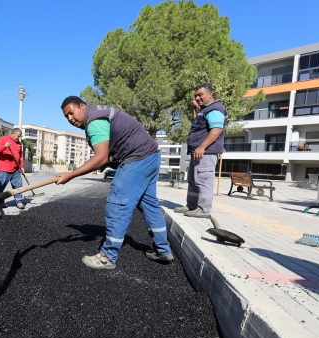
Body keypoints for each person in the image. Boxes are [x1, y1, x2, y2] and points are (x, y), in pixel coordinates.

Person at [56, 96, 174, 269]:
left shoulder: (94, 121)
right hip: (151, 155)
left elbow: (101, 157)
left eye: (71, 113)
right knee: (149, 204)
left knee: (118, 204)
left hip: (137, 157)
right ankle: (163, 250)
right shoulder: (99, 115)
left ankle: (108, 256)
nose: (70, 119)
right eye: (67, 117)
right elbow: (108, 155)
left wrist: (71, 174)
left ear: (82, 106)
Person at [174, 83, 226, 219]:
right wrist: (198, 108)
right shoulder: (206, 109)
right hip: (198, 153)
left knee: (203, 181)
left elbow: (216, 129)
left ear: (210, 94)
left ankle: (203, 209)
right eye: (196, 95)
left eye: (200, 95)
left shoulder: (215, 109)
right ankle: (192, 205)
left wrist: (202, 146)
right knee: (193, 180)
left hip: (206, 153)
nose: (197, 98)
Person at [0, 128, 25, 209]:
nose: (19, 138)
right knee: (0, 187)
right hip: (3, 169)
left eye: (20, 136)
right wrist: (4, 146)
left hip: (16, 170)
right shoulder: (3, 139)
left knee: (18, 186)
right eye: (18, 136)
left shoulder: (19, 143)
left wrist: (21, 167)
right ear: (13, 133)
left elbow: (21, 156)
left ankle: (19, 201)